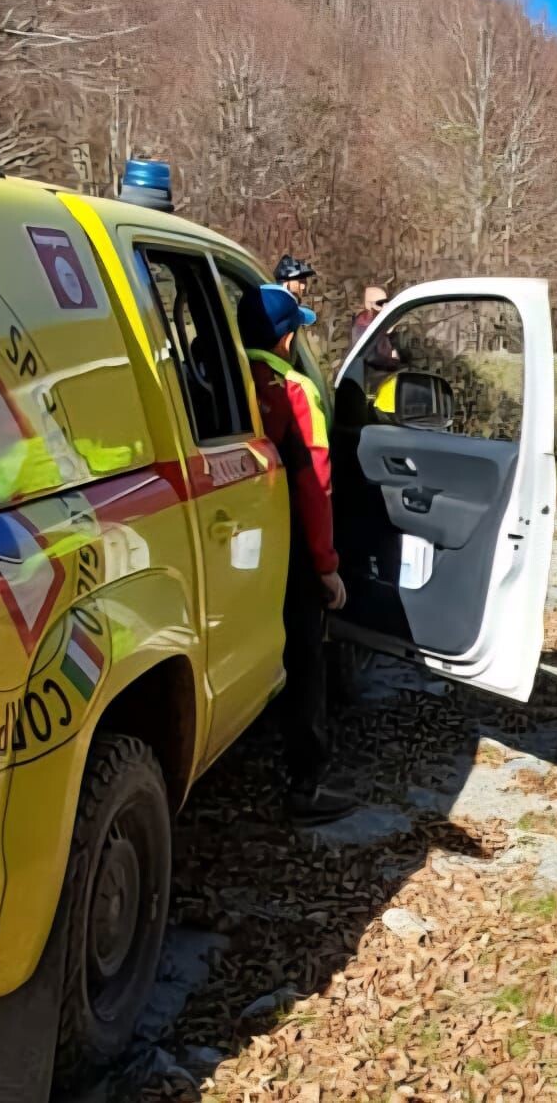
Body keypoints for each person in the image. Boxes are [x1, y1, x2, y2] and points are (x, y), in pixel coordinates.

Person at [237, 283, 356, 825]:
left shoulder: (215, 373)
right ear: (287, 339)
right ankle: (306, 785)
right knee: (307, 659)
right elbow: (315, 486)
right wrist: (327, 567)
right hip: (287, 549)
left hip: (234, 544)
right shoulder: (293, 390)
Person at [350, 285, 400, 372]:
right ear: (368, 305)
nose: (385, 307)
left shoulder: (377, 323)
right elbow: (370, 358)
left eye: (386, 303)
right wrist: (394, 362)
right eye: (380, 303)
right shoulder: (362, 328)